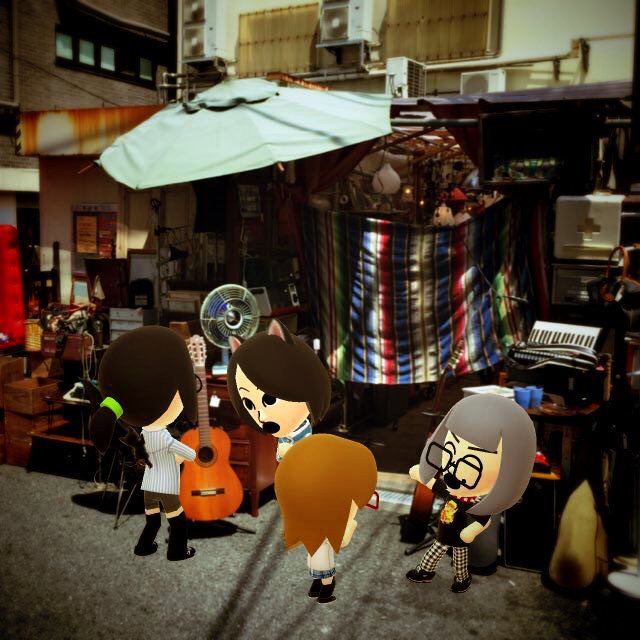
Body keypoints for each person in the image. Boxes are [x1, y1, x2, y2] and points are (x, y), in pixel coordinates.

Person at [406, 393, 536, 593]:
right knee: (435, 553)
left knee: (459, 560)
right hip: (443, 533)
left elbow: (483, 520)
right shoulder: (451, 491)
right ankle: (426, 572)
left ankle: (461, 579)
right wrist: (422, 475)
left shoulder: (473, 501)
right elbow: (436, 485)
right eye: (449, 452)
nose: (453, 470)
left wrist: (471, 531)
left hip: (458, 538)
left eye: (471, 467)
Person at [89, 326, 198, 561]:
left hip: (148, 486)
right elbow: (191, 454)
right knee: (178, 521)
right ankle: (177, 551)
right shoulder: (166, 439)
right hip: (166, 487)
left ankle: (143, 546)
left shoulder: (142, 435)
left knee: (153, 521)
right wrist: (182, 455)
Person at [275, 434, 378, 603]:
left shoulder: (339, 488)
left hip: (326, 526)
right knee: (314, 556)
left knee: (322, 558)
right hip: (315, 524)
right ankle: (318, 582)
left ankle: (327, 585)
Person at [226, 319, 331, 461]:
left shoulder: (305, 436)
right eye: (249, 404)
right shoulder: (284, 433)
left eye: (270, 399)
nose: (261, 417)